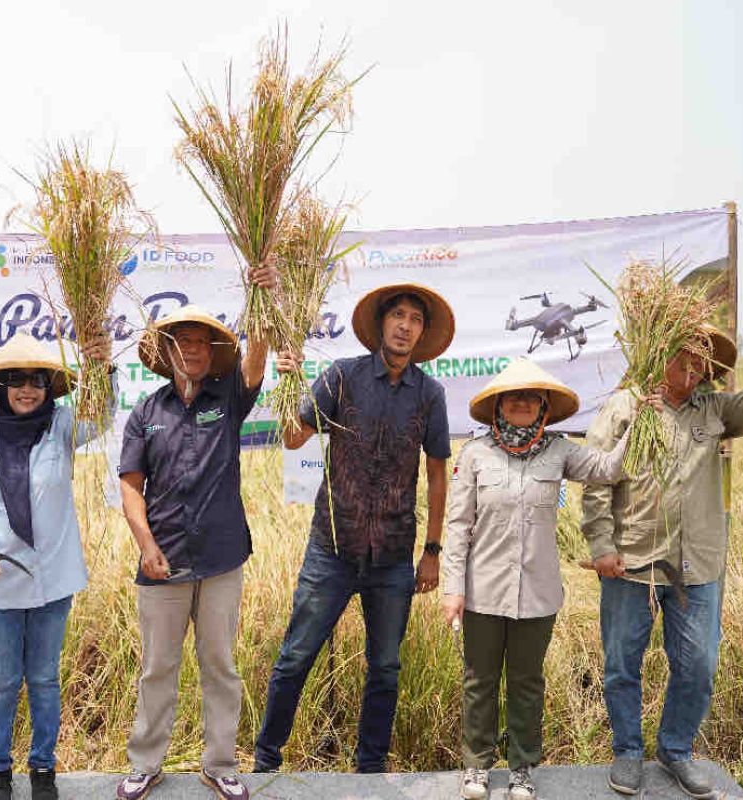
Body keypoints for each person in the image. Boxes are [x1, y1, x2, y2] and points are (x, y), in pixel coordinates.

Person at [253, 282, 454, 775]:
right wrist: (289, 382)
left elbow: (436, 471)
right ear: (381, 324)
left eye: (415, 319)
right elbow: (294, 437)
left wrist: (432, 550)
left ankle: (370, 770)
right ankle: (265, 762)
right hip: (332, 549)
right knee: (296, 657)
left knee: (385, 668)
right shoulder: (341, 377)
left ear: (422, 332)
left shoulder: (429, 394)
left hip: (392, 557)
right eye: (398, 316)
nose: (405, 326)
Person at [582, 325, 743, 799]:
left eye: (702, 357)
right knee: (623, 663)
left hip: (697, 566)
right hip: (633, 562)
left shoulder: (715, 409)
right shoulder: (629, 405)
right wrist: (601, 545)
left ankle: (675, 749)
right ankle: (627, 750)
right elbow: (596, 478)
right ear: (660, 351)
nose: (693, 364)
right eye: (684, 353)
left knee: (699, 664)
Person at [115, 267, 274, 800]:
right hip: (162, 562)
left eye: (200, 341)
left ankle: (221, 764)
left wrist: (260, 292)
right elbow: (131, 489)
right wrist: (147, 547)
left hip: (222, 559)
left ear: (212, 352)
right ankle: (145, 762)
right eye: (181, 341)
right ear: (166, 352)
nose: (191, 350)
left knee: (221, 665)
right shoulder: (145, 412)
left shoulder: (228, 398)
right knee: (158, 666)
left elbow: (256, 358)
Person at [441, 359, 630, 800]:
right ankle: (476, 767)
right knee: (479, 680)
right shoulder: (474, 454)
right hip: (482, 593)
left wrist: (639, 423)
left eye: (531, 397)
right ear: (497, 406)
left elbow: (607, 469)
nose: (522, 403)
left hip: (539, 595)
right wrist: (453, 589)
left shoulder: (560, 451)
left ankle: (523, 767)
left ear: (544, 406)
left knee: (527, 683)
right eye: (513, 396)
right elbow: (457, 526)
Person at [0, 332, 114, 800]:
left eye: (37, 380)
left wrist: (102, 369)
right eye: (16, 380)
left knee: (43, 677)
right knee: (3, 680)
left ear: (49, 386)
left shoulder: (61, 426)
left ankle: (43, 768)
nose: (28, 389)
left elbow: (100, 416)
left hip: (51, 579)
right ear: (0, 388)